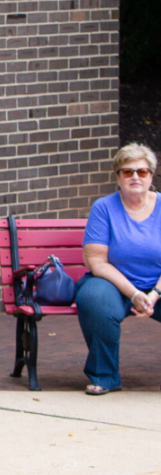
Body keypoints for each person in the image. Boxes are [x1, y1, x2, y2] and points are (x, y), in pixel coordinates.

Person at [76, 142, 161, 395]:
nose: (135, 177)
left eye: (142, 171)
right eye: (127, 172)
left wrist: (154, 293)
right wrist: (134, 293)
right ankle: (105, 376)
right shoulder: (104, 208)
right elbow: (97, 261)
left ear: (151, 176)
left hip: (157, 285)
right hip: (113, 283)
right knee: (93, 298)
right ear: (118, 176)